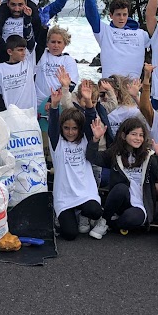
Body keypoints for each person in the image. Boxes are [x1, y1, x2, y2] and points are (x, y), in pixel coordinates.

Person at [47, 86, 108, 240]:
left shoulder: (85, 140)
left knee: (95, 211)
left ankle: (83, 214)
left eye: (74, 128)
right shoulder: (57, 143)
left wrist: (88, 101)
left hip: (84, 192)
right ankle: (62, 215)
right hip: (64, 196)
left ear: (80, 129)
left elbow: (90, 119)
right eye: (66, 128)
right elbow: (53, 125)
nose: (70, 132)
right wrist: (54, 106)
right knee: (70, 234)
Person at [93, 117, 158, 236]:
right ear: (124, 136)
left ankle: (112, 223)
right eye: (134, 134)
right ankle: (104, 220)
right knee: (120, 188)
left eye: (141, 135)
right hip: (123, 200)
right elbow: (93, 157)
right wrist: (95, 139)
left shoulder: (149, 156)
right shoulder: (115, 153)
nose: (138, 138)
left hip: (140, 204)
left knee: (132, 220)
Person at [84, 0, 150, 79]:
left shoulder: (141, 34)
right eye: (118, 14)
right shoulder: (104, 31)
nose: (121, 18)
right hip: (110, 86)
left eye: (124, 14)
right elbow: (91, 13)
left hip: (132, 89)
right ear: (111, 15)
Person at [35, 25, 80, 129]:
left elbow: (71, 84)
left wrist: (51, 100)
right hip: (37, 102)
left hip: (58, 103)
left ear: (65, 44)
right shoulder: (41, 55)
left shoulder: (68, 60)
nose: (56, 45)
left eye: (59, 42)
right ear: (47, 43)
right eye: (53, 42)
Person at [0, 35, 37, 114]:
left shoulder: (28, 64)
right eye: (20, 50)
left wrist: (44, 28)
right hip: (10, 116)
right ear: (10, 52)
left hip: (29, 116)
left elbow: (37, 45)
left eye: (24, 50)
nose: (23, 53)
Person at [99, 75, 143, 140]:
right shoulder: (98, 108)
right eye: (101, 94)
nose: (105, 96)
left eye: (107, 92)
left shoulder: (130, 110)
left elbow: (147, 118)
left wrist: (136, 97)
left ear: (116, 93)